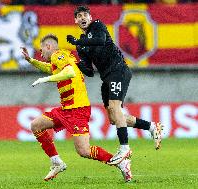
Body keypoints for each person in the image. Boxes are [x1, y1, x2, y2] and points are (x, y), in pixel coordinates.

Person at [21, 34, 132, 182]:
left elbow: (70, 73)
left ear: (49, 47)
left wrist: (44, 79)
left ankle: (122, 163)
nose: (41, 54)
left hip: (77, 109)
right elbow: (50, 68)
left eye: (41, 50)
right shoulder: (60, 59)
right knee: (36, 125)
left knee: (84, 150)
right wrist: (30, 60)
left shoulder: (57, 55)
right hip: (66, 109)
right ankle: (56, 162)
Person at [67, 5, 163, 165]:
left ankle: (124, 147)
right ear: (75, 20)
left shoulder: (97, 25)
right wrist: (73, 62)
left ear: (90, 17)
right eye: (79, 16)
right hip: (106, 78)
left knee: (115, 107)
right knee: (113, 117)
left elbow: (101, 40)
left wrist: (79, 40)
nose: (83, 18)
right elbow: (89, 71)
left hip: (118, 70)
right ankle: (152, 127)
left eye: (85, 15)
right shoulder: (81, 45)